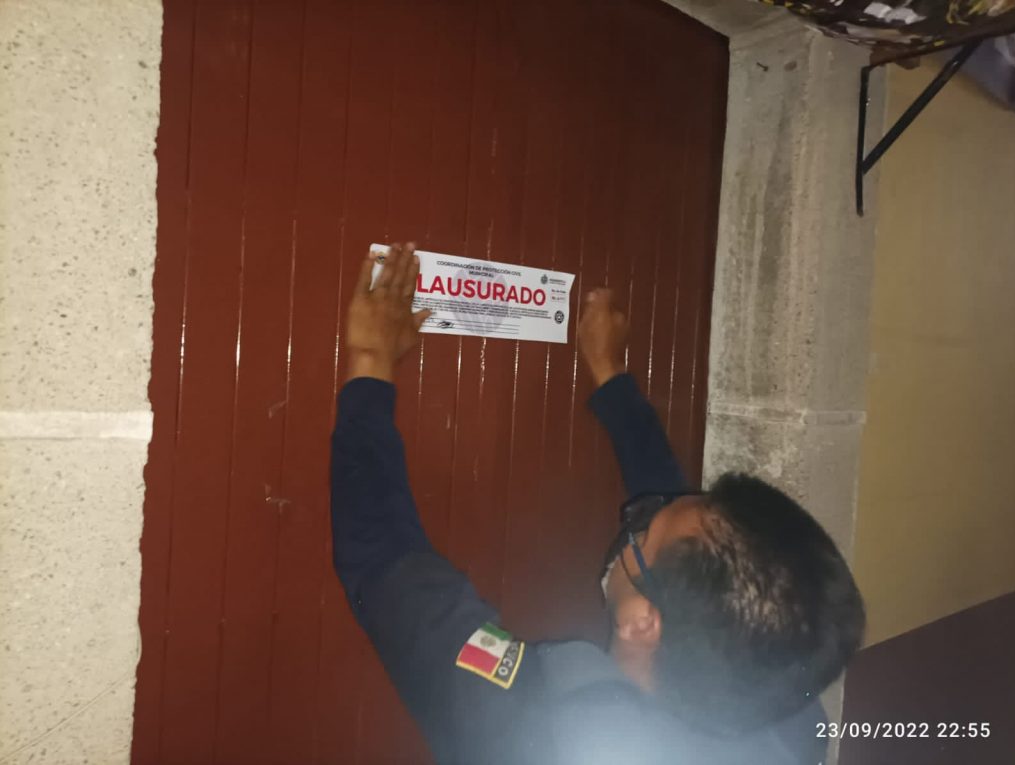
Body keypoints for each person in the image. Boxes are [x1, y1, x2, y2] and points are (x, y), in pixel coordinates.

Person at [331, 242, 865, 764]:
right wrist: (612, 378)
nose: (642, 516)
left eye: (643, 532)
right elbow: (682, 532)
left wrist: (371, 363)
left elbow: (383, 562)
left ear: (644, 622)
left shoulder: (536, 731)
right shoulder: (785, 702)